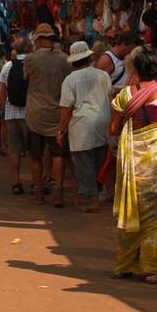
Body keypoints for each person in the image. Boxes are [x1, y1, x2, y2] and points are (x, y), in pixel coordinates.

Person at [109, 47, 157, 284]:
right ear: (156, 68)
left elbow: (113, 129)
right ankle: (156, 269)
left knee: (133, 211)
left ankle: (125, 265)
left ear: (135, 69)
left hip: (132, 166)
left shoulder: (123, 96)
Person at [58, 41, 112, 212]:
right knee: (99, 158)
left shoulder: (70, 80)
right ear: (89, 57)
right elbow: (111, 100)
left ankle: (91, 198)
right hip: (102, 119)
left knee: (83, 162)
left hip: (81, 124)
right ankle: (97, 192)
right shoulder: (103, 75)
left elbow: (67, 108)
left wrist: (61, 130)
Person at [23, 23, 70, 206]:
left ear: (40, 39)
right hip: (58, 114)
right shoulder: (65, 59)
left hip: (35, 113)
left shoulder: (31, 59)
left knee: (36, 155)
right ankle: (58, 193)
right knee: (58, 154)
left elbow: (26, 78)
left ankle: (39, 192)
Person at [0, 37, 32, 194]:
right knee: (34, 150)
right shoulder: (32, 64)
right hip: (30, 113)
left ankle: (16, 182)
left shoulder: (8, 66)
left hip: (11, 114)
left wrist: (2, 107)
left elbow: (2, 89)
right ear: (28, 49)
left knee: (14, 149)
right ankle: (35, 181)